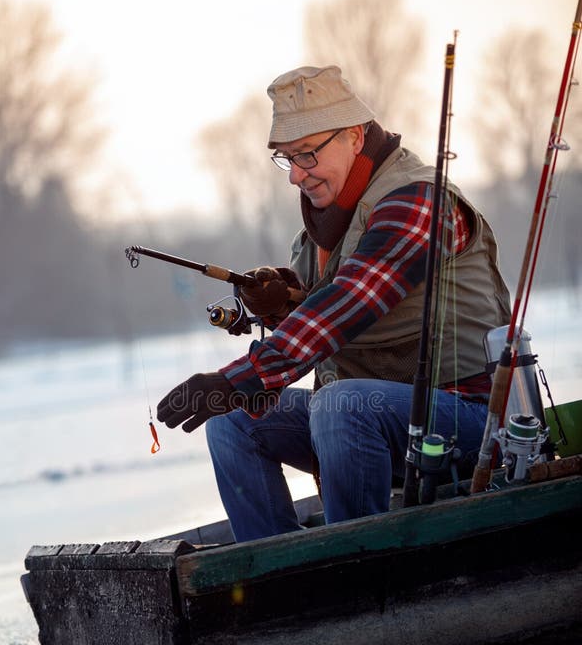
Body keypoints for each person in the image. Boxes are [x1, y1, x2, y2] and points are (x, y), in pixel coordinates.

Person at [157, 65, 512, 542]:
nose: (296, 176)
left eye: (306, 154)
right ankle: (272, 573)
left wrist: (236, 378)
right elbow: (316, 308)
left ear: (354, 135)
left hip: (468, 421)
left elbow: (347, 304)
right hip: (372, 423)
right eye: (287, 159)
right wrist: (281, 297)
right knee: (234, 420)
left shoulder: (418, 201)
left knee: (340, 404)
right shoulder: (327, 224)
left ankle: (351, 564)